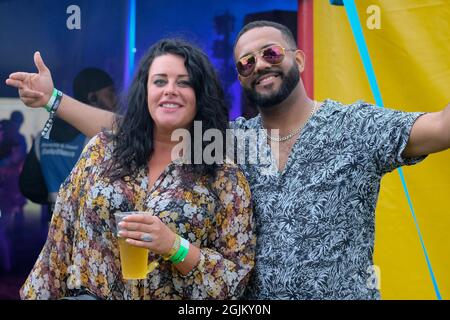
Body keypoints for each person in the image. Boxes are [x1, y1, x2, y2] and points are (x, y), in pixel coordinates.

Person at [6, 21, 450, 300]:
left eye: (271, 54)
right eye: (245, 62)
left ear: (299, 59)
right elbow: (129, 126)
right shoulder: (227, 142)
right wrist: (52, 99)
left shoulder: (354, 127)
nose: (259, 65)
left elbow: (441, 129)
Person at [7, 39, 255, 299]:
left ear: (200, 94)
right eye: (159, 81)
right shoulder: (102, 150)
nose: (170, 90)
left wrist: (175, 246)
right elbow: (58, 243)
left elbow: (234, 281)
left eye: (184, 82)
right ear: (145, 92)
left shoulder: (223, 175)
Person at [19, 68, 118, 224]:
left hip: (56, 228)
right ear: (92, 98)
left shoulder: (43, 138)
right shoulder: (99, 139)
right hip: (91, 229)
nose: (116, 99)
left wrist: (57, 202)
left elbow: (28, 186)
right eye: (110, 93)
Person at [0, 112, 27, 272]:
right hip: (6, 192)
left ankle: (9, 264)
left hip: (10, 192)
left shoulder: (17, 143)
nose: (1, 131)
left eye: (3, 129)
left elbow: (16, 163)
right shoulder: (9, 143)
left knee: (5, 229)